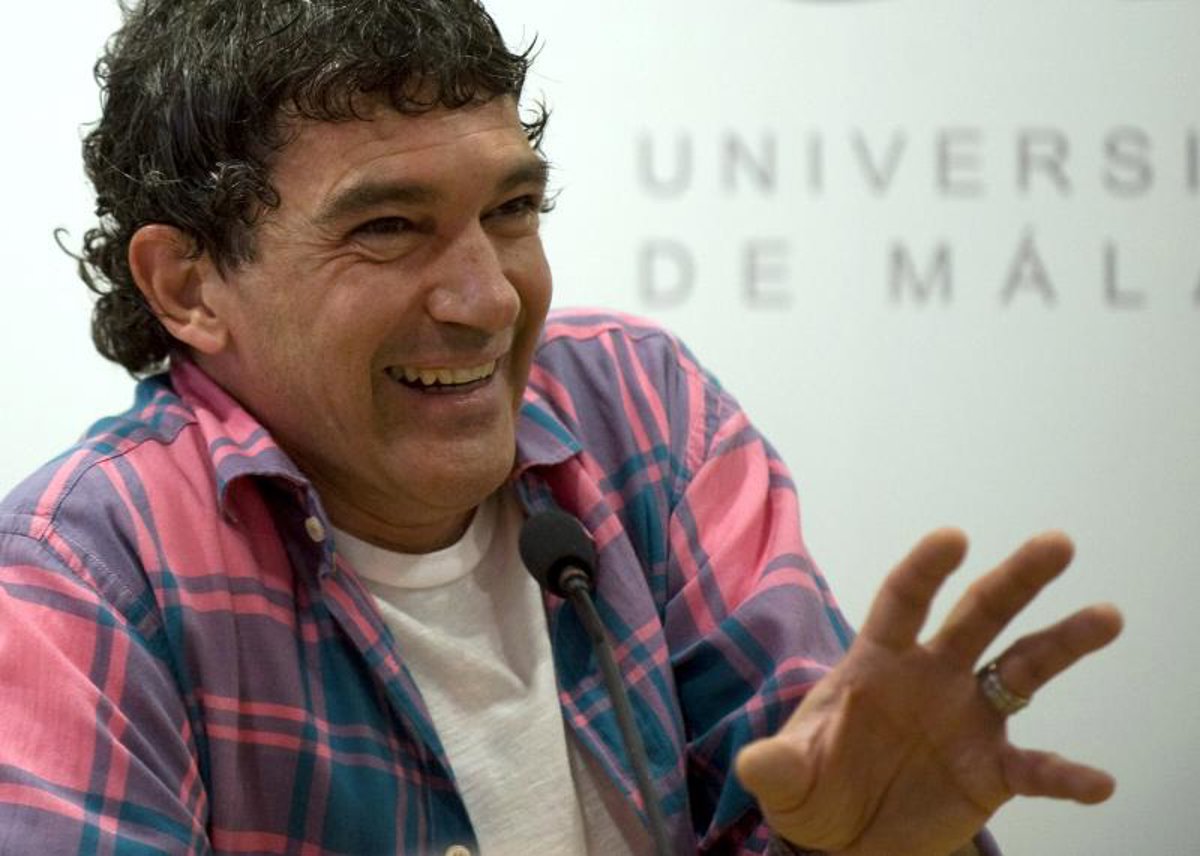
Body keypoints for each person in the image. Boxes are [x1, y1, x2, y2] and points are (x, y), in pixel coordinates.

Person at [0, 1, 1122, 854]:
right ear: (189, 283)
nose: (488, 299)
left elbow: (824, 799)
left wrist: (861, 851)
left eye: (512, 210)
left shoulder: (640, 407)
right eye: (388, 227)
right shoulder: (77, 574)